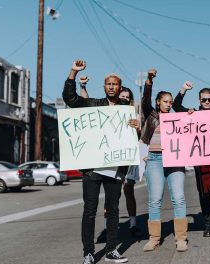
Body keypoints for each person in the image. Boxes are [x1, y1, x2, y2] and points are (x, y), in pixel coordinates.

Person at [63, 60, 138, 263]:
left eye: (115, 84)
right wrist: (74, 73)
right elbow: (70, 98)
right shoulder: (93, 104)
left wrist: (136, 127)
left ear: (120, 87)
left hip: (115, 169)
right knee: (89, 210)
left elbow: (133, 139)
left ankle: (111, 250)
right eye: (108, 84)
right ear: (104, 87)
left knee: (113, 210)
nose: (112, 87)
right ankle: (88, 252)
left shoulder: (127, 109)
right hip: (93, 169)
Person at [80, 79, 143, 238]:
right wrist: (83, 86)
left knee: (128, 191)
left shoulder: (132, 116)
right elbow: (85, 106)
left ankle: (133, 223)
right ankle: (109, 226)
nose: (125, 98)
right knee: (111, 198)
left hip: (125, 159)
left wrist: (137, 129)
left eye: (128, 97)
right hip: (107, 161)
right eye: (123, 95)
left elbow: (137, 137)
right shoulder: (104, 109)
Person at [140, 69, 188, 252]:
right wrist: (149, 80)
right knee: (155, 200)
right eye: (165, 102)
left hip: (175, 159)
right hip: (155, 159)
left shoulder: (178, 118)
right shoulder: (151, 115)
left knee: (178, 198)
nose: (168, 105)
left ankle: (181, 238)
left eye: (170, 102)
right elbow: (145, 100)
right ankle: (154, 239)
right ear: (158, 102)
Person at [172, 81, 210, 237]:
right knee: (204, 193)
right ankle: (209, 223)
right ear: (199, 100)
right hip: (201, 161)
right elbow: (176, 107)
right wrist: (183, 90)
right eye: (204, 100)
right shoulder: (194, 115)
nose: (207, 102)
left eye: (209, 99)